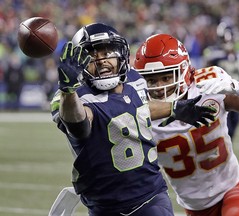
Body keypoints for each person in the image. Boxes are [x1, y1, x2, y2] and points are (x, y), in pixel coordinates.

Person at [49, 23, 216, 216]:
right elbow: (80, 125)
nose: (102, 60)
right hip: (102, 205)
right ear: (80, 62)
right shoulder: (71, 98)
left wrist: (174, 108)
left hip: (150, 196)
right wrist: (68, 92)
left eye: (107, 52)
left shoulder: (135, 79)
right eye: (93, 55)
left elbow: (138, 108)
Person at [133, 34, 239, 216]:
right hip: (194, 207)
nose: (158, 86)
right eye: (151, 80)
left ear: (183, 71)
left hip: (234, 188)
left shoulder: (207, 86)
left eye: (165, 77)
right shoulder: (139, 111)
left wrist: (237, 87)